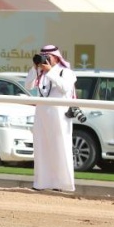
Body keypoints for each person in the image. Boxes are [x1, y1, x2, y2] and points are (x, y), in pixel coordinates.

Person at [24, 44, 76, 192]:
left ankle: (63, 184)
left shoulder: (65, 72)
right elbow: (28, 86)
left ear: (56, 57)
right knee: (41, 147)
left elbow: (64, 88)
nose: (45, 59)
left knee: (60, 148)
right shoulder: (40, 72)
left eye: (48, 57)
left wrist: (51, 72)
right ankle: (41, 183)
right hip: (42, 113)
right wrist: (35, 69)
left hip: (59, 114)